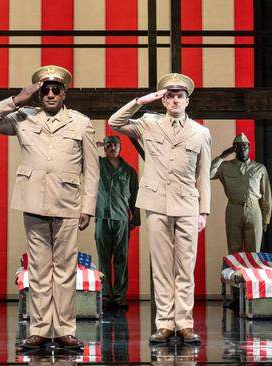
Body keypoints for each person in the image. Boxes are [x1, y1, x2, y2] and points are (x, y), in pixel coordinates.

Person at [0, 65, 98, 352]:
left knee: (65, 269)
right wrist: (18, 99)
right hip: (33, 201)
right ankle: (40, 330)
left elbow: (92, 170)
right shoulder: (24, 117)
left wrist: (88, 206)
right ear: (38, 94)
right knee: (40, 269)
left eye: (56, 89)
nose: (50, 94)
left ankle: (66, 330)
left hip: (69, 203)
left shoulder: (80, 122)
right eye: (45, 90)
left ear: (65, 93)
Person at [107, 73, 211, 345]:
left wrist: (204, 212)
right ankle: (165, 324)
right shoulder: (148, 123)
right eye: (170, 95)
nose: (175, 100)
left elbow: (203, 175)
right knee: (162, 267)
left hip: (188, 203)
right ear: (163, 100)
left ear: (187, 100)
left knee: (185, 267)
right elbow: (114, 122)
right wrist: (142, 100)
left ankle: (185, 324)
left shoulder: (201, 132)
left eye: (179, 95)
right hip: (156, 203)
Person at [95, 135, 139, 312]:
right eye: (108, 145)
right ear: (104, 148)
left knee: (121, 259)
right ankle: (105, 295)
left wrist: (135, 219)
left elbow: (135, 196)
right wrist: (93, 143)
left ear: (120, 147)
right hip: (102, 217)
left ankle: (120, 297)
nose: (112, 148)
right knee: (103, 258)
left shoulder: (129, 171)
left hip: (121, 219)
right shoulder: (98, 165)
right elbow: (82, 155)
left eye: (115, 145)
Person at [210, 132, 272, 255]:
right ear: (234, 148)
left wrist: (266, 219)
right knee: (234, 250)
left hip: (254, 209)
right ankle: (236, 275)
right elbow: (208, 174)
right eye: (239, 146)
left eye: (245, 146)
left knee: (254, 251)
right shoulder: (225, 166)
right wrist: (222, 156)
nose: (243, 149)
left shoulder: (259, 168)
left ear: (249, 148)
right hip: (234, 208)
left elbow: (267, 196)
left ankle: (250, 274)